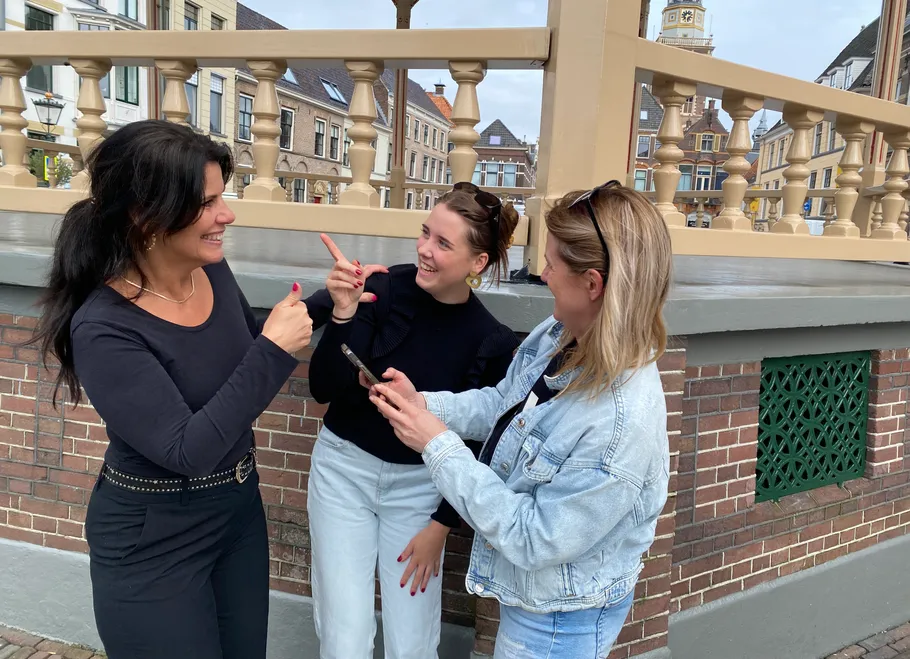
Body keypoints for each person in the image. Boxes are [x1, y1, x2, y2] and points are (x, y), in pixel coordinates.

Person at [30, 119, 317, 659]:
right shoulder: (104, 328)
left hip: (237, 511)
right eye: (208, 203)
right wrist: (276, 350)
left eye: (223, 197)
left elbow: (243, 350)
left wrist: (327, 304)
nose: (227, 214)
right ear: (146, 216)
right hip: (153, 535)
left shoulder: (209, 270)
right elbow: (187, 450)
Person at [369, 182, 672, 659]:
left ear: (593, 284)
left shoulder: (619, 422)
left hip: (560, 623)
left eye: (551, 264)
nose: (542, 274)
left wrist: (437, 445)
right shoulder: (562, 333)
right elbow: (504, 403)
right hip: (537, 604)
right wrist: (426, 405)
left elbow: (534, 537)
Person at [306, 182, 522, 659]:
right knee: (344, 635)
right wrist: (342, 314)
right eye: (425, 233)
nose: (424, 249)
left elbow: (482, 445)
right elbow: (322, 387)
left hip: (422, 491)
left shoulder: (489, 339)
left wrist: (441, 526)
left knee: (413, 641)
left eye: (443, 243)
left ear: (478, 262)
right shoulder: (383, 288)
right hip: (343, 472)